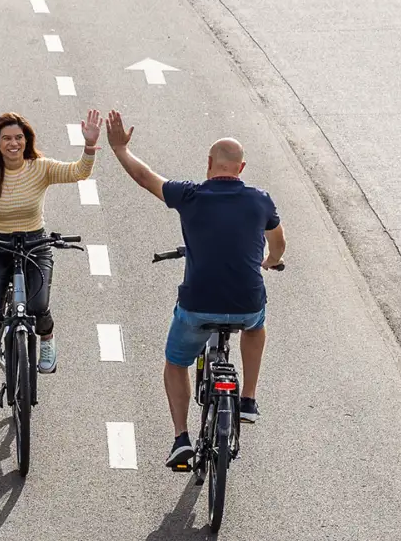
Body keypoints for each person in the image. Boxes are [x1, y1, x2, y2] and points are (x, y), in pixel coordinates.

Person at [104, 110, 286, 467]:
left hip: (198, 304)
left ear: (209, 163)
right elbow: (278, 243)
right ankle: (248, 399)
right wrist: (271, 261)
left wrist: (120, 149)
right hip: (246, 302)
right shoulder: (260, 199)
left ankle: (181, 439)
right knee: (255, 326)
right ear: (241, 168)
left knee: (175, 363)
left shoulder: (189, 195)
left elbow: (144, 177)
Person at [0, 110, 102, 408]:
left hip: (36, 243)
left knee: (37, 306)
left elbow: (78, 172)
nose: (14, 143)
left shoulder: (40, 168)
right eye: (7, 138)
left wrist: (88, 148)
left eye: (19, 138)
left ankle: (46, 342)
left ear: (26, 141)